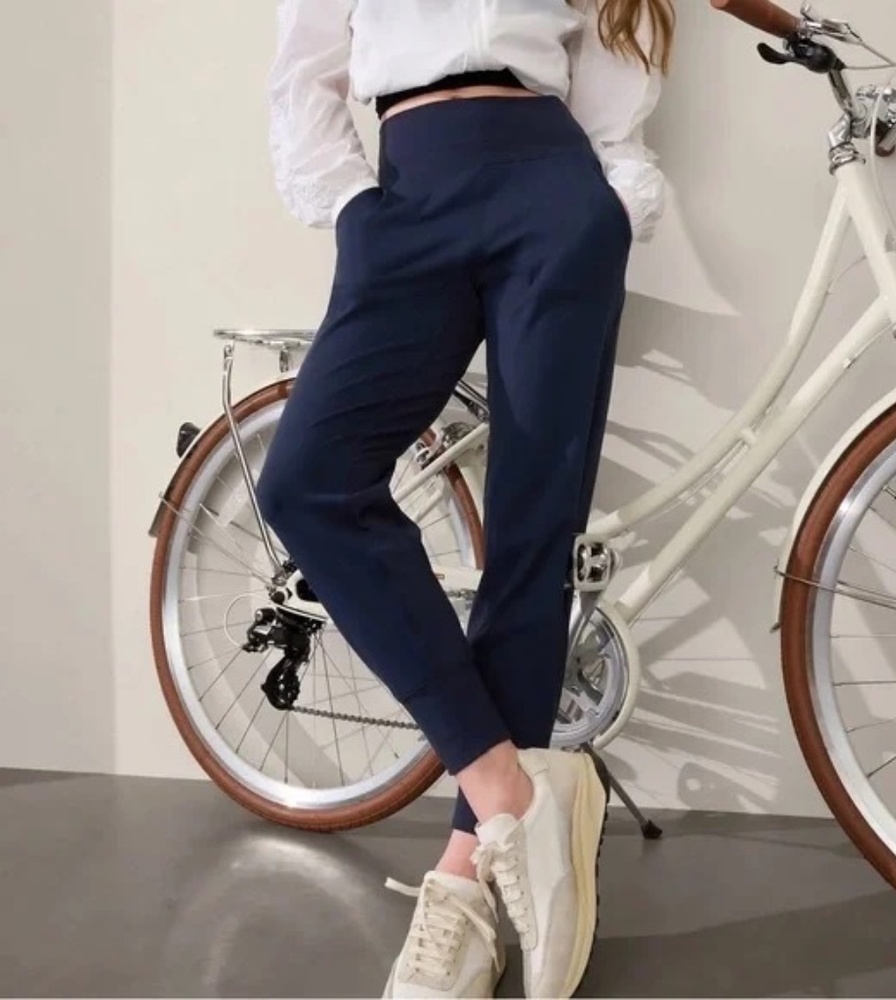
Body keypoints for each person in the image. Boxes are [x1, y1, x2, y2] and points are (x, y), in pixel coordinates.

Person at [260, 0, 672, 995]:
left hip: (554, 187)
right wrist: (354, 210)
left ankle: (464, 884)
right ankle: (510, 797)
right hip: (409, 188)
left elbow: (612, 71)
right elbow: (303, 69)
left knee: (533, 538)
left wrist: (612, 205)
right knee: (309, 482)